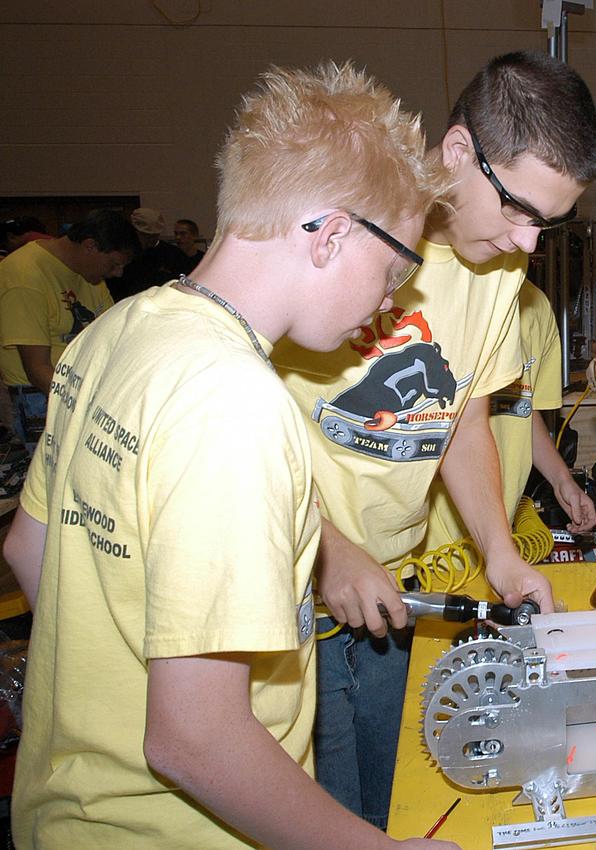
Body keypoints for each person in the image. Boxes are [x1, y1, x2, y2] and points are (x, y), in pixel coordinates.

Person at [2, 61, 454, 850]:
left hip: (65, 809)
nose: (392, 300)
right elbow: (194, 742)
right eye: (396, 270)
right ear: (333, 233)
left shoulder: (121, 330)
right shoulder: (235, 399)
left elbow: (30, 549)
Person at [273, 51, 596, 830]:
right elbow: (225, 419)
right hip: (281, 590)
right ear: (458, 153)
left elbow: (463, 420)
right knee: (323, 819)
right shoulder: (329, 232)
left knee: (391, 806)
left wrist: (499, 551)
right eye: (520, 210)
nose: (529, 243)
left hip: (397, 589)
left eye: (548, 225)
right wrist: (323, 547)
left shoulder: (498, 280)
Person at [423, 279, 596, 550]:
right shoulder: (434, 295)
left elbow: (522, 410)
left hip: (498, 528)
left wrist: (562, 479)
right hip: (427, 536)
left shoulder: (535, 306)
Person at [0, 208, 136, 450]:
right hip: (40, 397)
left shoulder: (89, 275)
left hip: (81, 391)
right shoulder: (25, 276)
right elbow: (37, 368)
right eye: (114, 264)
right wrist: (89, 409)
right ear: (90, 246)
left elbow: (115, 337)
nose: (118, 273)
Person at [109, 207, 189, 301]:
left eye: (154, 236)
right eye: (146, 236)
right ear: (135, 232)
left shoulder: (174, 255)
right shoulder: (121, 256)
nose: (151, 240)